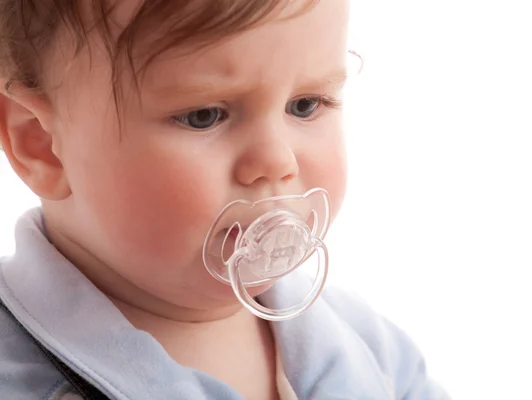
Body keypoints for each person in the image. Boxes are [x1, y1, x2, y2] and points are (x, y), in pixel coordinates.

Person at [0, 0, 449, 398]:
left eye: (306, 105)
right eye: (205, 115)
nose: (277, 161)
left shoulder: (369, 347)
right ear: (41, 143)